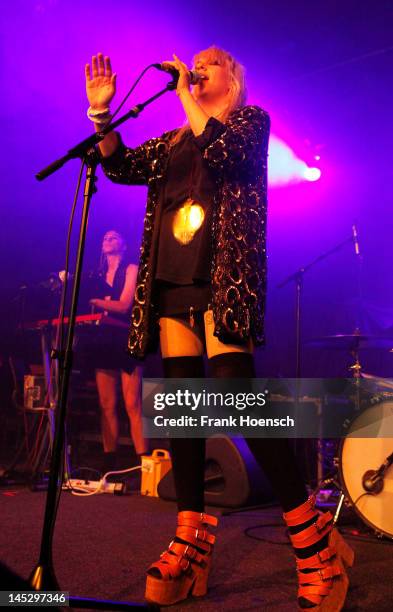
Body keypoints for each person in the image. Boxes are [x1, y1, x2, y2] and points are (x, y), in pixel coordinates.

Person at [85, 47, 354, 608]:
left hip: (224, 283)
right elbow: (120, 165)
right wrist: (102, 117)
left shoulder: (250, 124)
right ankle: (190, 540)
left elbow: (227, 155)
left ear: (233, 80)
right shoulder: (176, 140)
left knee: (236, 400)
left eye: (212, 63)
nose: (199, 67)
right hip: (172, 287)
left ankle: (312, 540)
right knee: (184, 411)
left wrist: (186, 93)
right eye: (196, 64)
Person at [87, 230, 148, 473]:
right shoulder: (97, 274)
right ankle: (109, 462)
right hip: (103, 339)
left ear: (123, 244)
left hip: (126, 338)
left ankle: (144, 463)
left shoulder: (131, 269)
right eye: (104, 237)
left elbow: (124, 305)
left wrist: (96, 302)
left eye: (113, 237)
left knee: (132, 404)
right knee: (106, 404)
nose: (107, 239)